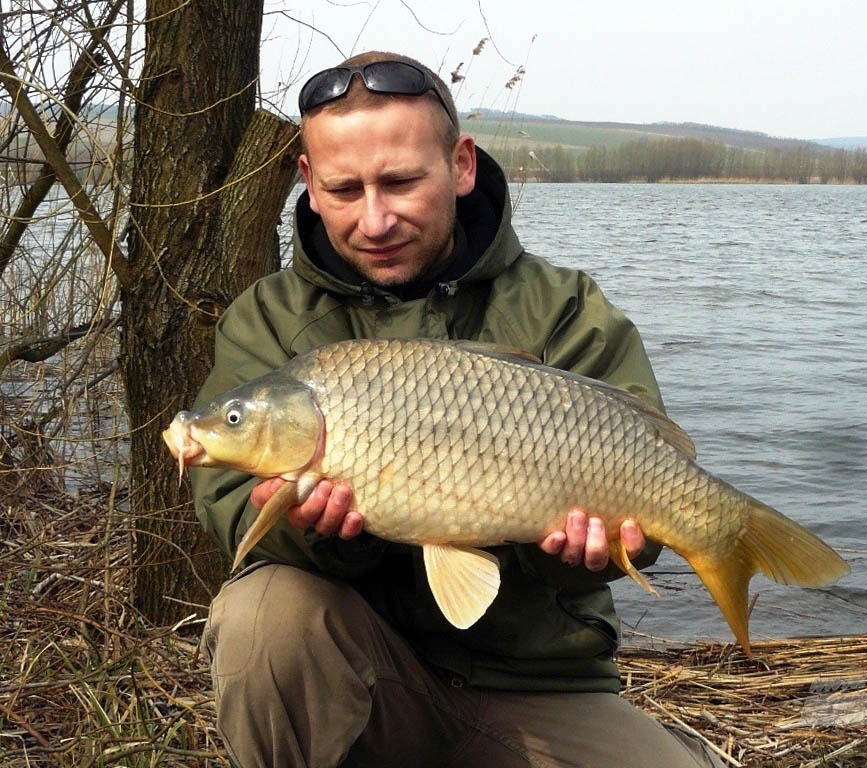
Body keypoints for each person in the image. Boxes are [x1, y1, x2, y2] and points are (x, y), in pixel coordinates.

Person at [192, 50, 723, 768]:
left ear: (461, 165)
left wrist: (573, 555)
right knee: (263, 619)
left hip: (536, 683)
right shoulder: (271, 322)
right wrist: (324, 538)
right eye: (346, 189)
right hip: (360, 677)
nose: (374, 219)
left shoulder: (564, 308)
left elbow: (639, 512)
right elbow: (227, 503)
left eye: (402, 181)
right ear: (309, 184)